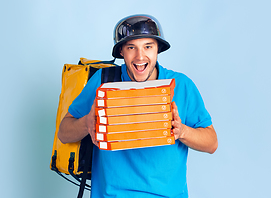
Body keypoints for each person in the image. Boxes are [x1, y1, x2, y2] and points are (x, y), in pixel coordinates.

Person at [58, 14, 218, 198]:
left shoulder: (182, 85)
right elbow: (64, 133)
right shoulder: (103, 82)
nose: (140, 56)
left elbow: (212, 143)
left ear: (157, 49)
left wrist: (182, 132)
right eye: (131, 47)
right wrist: (87, 122)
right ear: (121, 52)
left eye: (148, 47)